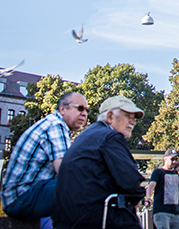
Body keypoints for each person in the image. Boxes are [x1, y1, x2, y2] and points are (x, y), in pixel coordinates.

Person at [53, 96, 149, 229]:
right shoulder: (111, 137)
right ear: (110, 116)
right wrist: (137, 197)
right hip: (97, 218)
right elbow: (130, 181)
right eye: (128, 116)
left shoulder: (87, 135)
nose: (132, 122)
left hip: (72, 219)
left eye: (134, 118)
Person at [2, 92, 89, 221]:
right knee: (85, 187)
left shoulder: (52, 123)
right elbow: (65, 171)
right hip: (21, 197)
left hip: (22, 195)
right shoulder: (56, 125)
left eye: (87, 110)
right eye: (80, 108)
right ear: (62, 109)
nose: (85, 114)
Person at [146, 148, 179, 229]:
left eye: (176, 159)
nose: (174, 162)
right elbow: (151, 186)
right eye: (172, 159)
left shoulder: (177, 173)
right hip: (162, 212)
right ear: (165, 159)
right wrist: (148, 198)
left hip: (176, 212)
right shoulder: (158, 172)